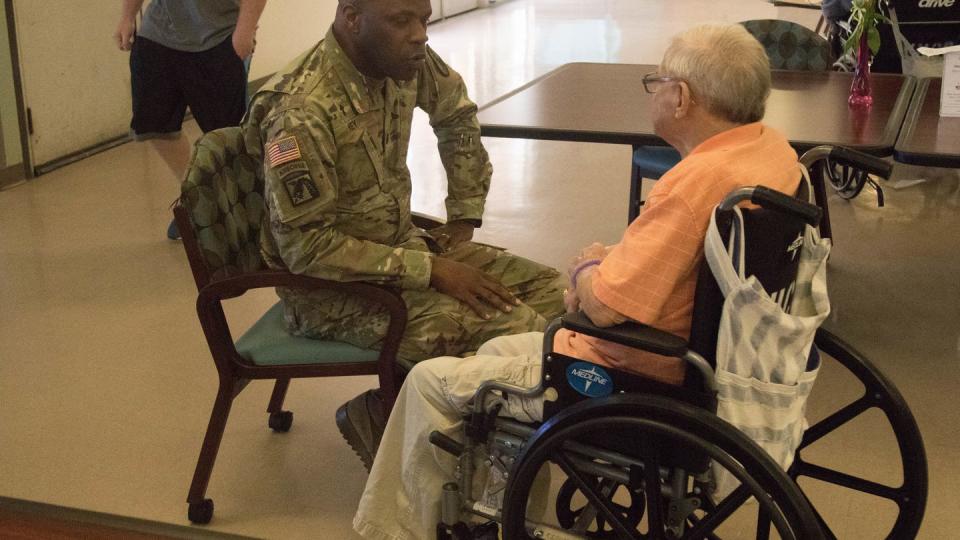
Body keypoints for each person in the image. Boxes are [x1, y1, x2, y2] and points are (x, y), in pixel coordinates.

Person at [352, 23, 804, 540]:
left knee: (428, 382)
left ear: (681, 99)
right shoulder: (772, 154)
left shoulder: (691, 186)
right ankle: (498, 511)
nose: (653, 91)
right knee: (500, 345)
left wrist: (587, 271)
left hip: (636, 375)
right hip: (715, 364)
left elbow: (609, 308)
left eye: (656, 82)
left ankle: (390, 531)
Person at [240, 0, 565, 467]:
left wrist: (464, 211)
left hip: (401, 251)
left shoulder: (398, 58)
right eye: (402, 21)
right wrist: (430, 269)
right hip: (331, 291)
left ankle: (459, 419)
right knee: (521, 333)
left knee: (558, 297)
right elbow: (305, 248)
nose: (420, 35)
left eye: (425, 19)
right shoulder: (302, 110)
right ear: (353, 20)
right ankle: (389, 416)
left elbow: (454, 112)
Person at [114, 0, 267, 239]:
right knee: (153, 122)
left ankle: (246, 212)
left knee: (227, 135)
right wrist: (127, 17)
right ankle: (199, 197)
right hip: (159, 32)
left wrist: (245, 29)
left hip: (220, 34)